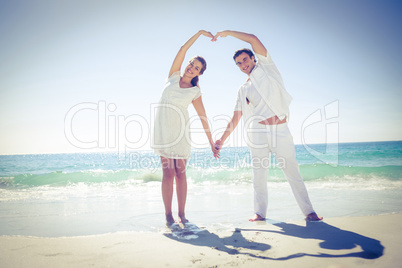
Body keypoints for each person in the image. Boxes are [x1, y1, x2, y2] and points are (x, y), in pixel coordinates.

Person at [212, 30, 323, 222]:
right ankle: (259, 213)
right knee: (259, 176)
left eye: (245, 60)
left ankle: (309, 212)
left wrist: (228, 33)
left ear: (253, 58)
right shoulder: (243, 89)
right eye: (239, 63)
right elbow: (236, 117)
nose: (243, 65)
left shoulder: (267, 68)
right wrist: (221, 139)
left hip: (280, 131)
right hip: (258, 134)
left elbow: (254, 39)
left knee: (292, 172)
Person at [152, 30, 219, 225]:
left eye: (197, 68)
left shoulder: (195, 91)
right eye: (191, 64)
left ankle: (182, 214)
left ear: (199, 73)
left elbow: (203, 117)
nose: (191, 68)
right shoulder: (172, 77)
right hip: (163, 132)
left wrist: (211, 143)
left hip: (181, 134)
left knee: (180, 173)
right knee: (168, 173)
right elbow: (183, 49)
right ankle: (168, 215)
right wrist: (199, 33)